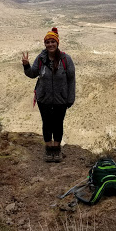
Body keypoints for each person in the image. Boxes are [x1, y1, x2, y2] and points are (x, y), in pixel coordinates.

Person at [22, 27, 76, 162]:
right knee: (47, 123)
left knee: (58, 123)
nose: (50, 44)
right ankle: (48, 149)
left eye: (53, 42)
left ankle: (56, 150)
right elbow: (32, 74)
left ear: (57, 43)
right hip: (43, 98)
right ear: (44, 44)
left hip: (61, 99)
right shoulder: (40, 58)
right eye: (48, 42)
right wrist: (26, 66)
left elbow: (71, 80)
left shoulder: (66, 59)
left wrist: (70, 98)